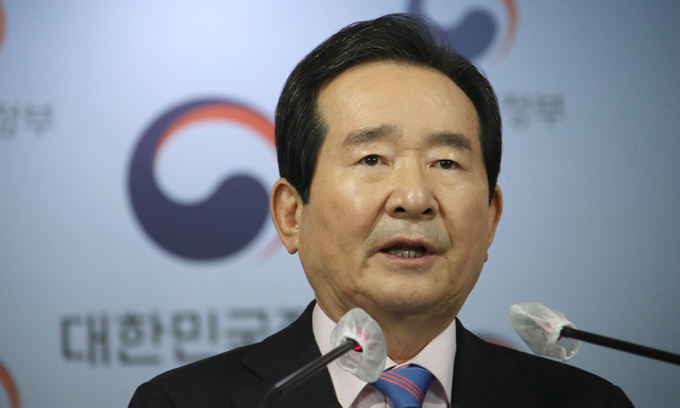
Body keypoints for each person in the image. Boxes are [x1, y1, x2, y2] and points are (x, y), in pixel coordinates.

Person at [129, 14, 633, 408]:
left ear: (491, 217)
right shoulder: (182, 403)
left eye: (446, 162)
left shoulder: (587, 404)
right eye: (372, 159)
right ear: (291, 215)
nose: (414, 198)